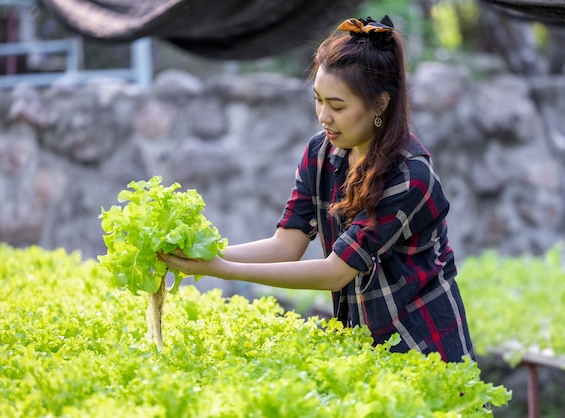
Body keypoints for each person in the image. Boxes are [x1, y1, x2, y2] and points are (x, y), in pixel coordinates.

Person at [160, 15, 474, 362]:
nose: (324, 116)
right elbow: (287, 244)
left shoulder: (409, 174)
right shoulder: (321, 152)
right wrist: (203, 252)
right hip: (364, 348)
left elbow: (335, 272)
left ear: (381, 104)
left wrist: (220, 269)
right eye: (318, 100)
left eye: (337, 106)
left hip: (426, 349)